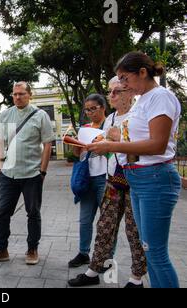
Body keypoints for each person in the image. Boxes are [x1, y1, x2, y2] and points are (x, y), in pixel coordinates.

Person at [87, 52, 182, 288]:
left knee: (156, 253)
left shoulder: (160, 97)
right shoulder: (144, 101)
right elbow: (136, 145)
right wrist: (110, 145)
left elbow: (158, 144)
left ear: (142, 72)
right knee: (148, 249)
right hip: (137, 177)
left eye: (124, 78)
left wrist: (112, 144)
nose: (121, 84)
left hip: (154, 178)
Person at [68, 77, 147, 288]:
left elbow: (144, 151)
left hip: (134, 182)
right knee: (104, 226)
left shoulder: (140, 116)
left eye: (116, 92)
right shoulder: (111, 118)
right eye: (110, 92)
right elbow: (109, 149)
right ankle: (93, 271)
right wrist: (94, 145)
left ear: (129, 92)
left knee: (134, 231)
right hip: (112, 180)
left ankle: (136, 278)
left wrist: (116, 142)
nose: (110, 95)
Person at [0, 82, 55, 266]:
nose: (17, 97)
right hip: (8, 174)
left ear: (30, 95)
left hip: (32, 174)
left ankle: (32, 249)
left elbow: (47, 144)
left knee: (33, 213)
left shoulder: (40, 115)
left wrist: (43, 171)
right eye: (14, 94)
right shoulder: (5, 114)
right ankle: (1, 249)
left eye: (21, 94)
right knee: (2, 213)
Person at [68, 94, 107, 268]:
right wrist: (74, 144)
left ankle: (106, 257)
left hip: (105, 177)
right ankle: (83, 253)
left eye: (93, 108)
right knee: (85, 220)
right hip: (87, 177)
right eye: (87, 109)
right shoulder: (84, 128)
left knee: (107, 220)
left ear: (102, 107)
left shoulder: (111, 126)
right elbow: (77, 155)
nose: (90, 112)